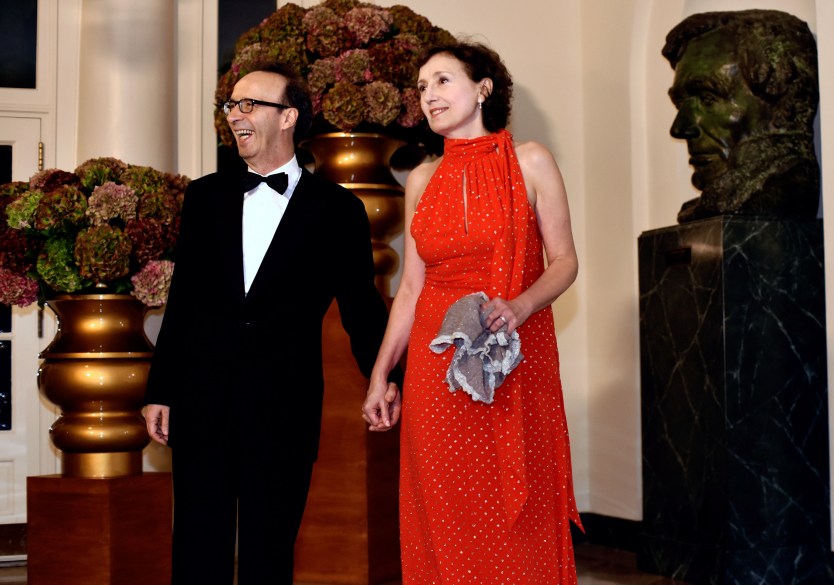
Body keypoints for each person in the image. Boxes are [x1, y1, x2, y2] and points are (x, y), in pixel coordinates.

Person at [143, 63, 397, 585]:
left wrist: (387, 378)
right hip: (200, 402)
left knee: (269, 552)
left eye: (249, 104)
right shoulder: (204, 197)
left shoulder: (339, 210)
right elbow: (183, 302)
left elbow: (361, 308)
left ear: (289, 118)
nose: (235, 115)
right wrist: (159, 390)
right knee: (196, 545)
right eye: (231, 106)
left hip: (285, 406)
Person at [362, 41, 583, 584]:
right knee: (443, 507)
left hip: (512, 364)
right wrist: (380, 374)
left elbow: (565, 261)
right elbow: (410, 289)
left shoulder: (531, 160)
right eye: (421, 87)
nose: (428, 95)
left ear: (483, 88)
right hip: (436, 372)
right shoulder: (420, 179)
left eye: (441, 80)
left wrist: (522, 304)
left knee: (514, 510)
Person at [663, 9, 820, 223]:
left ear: (779, 100)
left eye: (708, 98)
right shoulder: (718, 201)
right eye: (680, 104)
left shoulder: (782, 188)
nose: (680, 128)